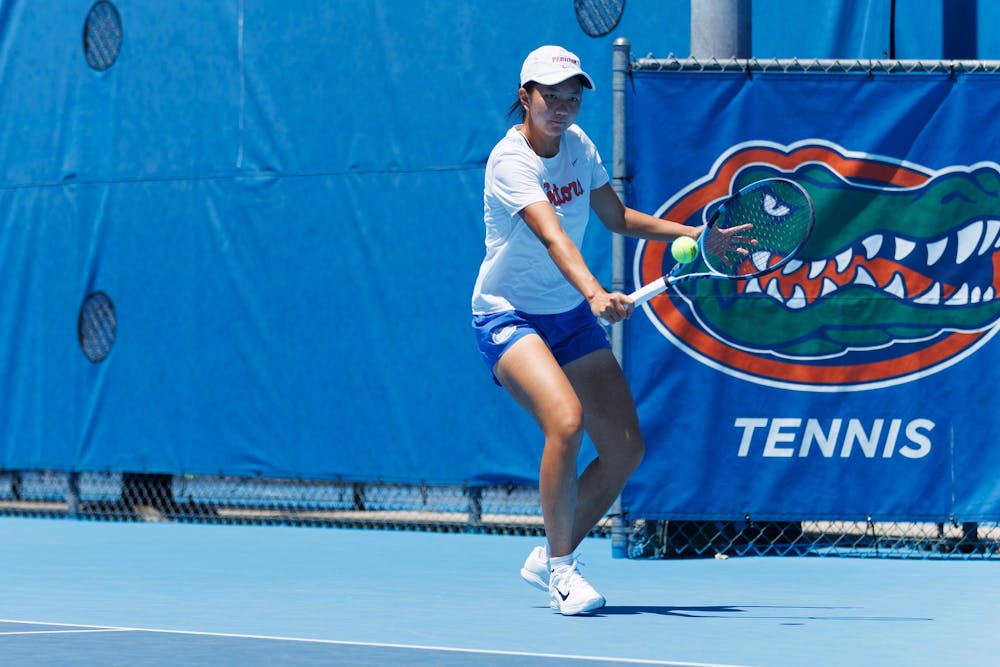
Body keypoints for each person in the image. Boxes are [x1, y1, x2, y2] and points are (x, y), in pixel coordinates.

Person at [470, 45, 706, 615]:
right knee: (566, 421)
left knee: (625, 449)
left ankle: (550, 549)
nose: (563, 107)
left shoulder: (579, 148)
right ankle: (561, 573)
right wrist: (597, 293)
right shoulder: (511, 161)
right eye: (551, 97)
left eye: (572, 98)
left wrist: (696, 234)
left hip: (568, 317)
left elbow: (617, 217)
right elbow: (554, 238)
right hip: (508, 313)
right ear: (525, 97)